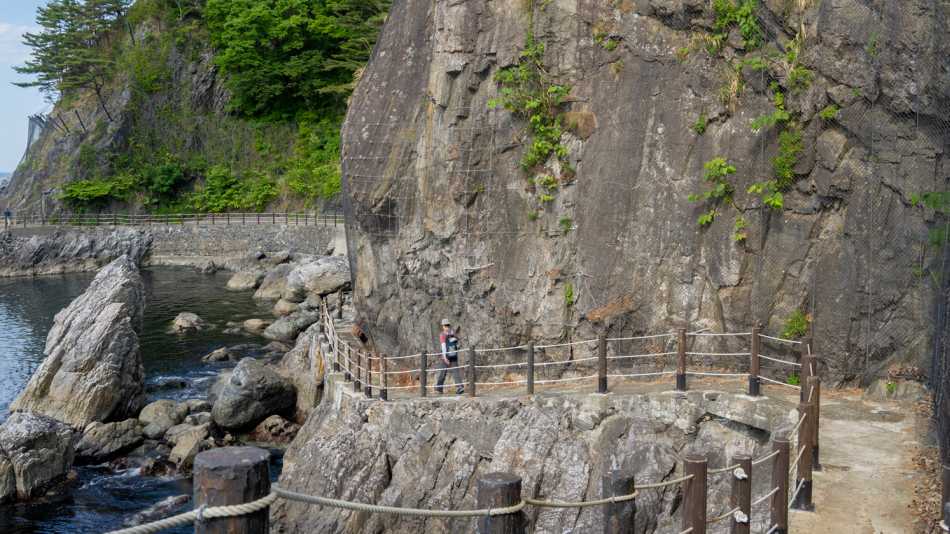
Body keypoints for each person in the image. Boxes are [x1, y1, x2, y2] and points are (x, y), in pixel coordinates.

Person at [435, 318, 464, 395]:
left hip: (446, 355)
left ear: (443, 326)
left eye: (445, 326)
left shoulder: (442, 334)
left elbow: (443, 346)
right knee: (455, 372)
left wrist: (444, 357)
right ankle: (460, 387)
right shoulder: (453, 333)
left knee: (443, 372)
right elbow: (458, 344)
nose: (446, 327)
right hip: (454, 355)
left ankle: (439, 388)